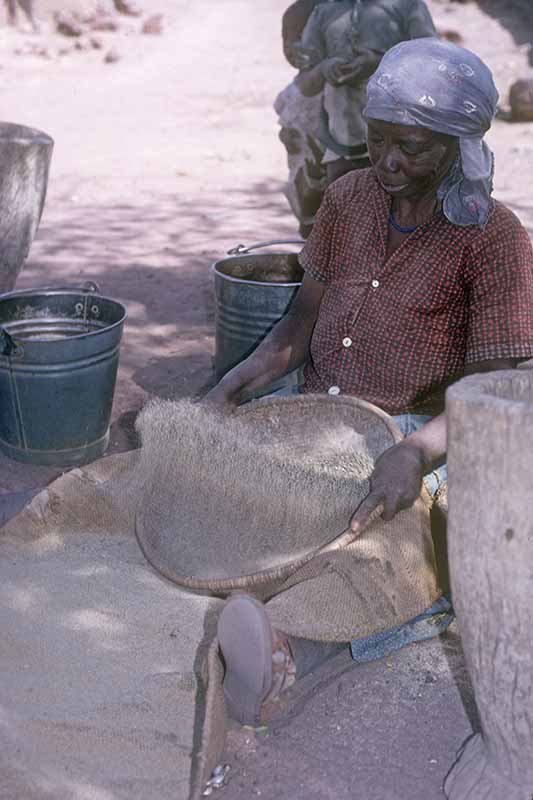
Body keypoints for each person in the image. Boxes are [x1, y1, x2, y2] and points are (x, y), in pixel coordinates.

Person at [206, 38, 533, 724]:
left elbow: (496, 388)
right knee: (234, 486)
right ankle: (257, 599)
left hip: (417, 434)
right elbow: (297, 326)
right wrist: (226, 393)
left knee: (402, 542)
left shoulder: (492, 238)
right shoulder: (348, 198)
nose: (387, 161)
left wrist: (414, 454)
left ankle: (296, 648)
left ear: (456, 146)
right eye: (377, 139)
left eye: (411, 147)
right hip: (318, 413)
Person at [295, 0, 437, 185]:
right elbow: (304, 85)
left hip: (400, 149)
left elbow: (433, 67)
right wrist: (324, 69)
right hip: (339, 147)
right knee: (342, 209)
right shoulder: (324, 12)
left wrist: (379, 63)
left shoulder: (407, 6)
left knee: (398, 211)